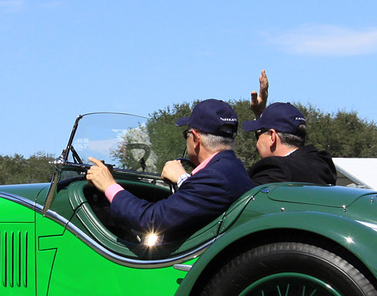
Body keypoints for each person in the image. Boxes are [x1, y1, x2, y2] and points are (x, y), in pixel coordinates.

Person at [85, 98, 253, 249]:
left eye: (185, 135)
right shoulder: (234, 170)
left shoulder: (215, 178)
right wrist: (183, 180)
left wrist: (109, 186)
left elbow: (150, 220)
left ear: (195, 139)